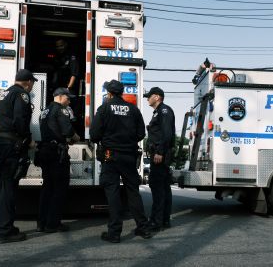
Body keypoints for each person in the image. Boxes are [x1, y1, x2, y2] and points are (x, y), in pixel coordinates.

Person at [90, 80, 152, 243]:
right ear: (121, 93)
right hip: (130, 156)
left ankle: (115, 233)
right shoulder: (133, 109)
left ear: (109, 93)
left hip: (110, 156)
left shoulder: (103, 109)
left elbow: (94, 135)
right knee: (133, 191)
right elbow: (140, 133)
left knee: (113, 192)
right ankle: (143, 228)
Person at [0, 69, 37, 244]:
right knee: (8, 188)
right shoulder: (22, 95)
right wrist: (28, 139)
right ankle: (4, 232)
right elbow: (19, 119)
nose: (32, 86)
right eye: (32, 83)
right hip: (10, 145)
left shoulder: (6, 93)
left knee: (4, 186)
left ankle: (5, 227)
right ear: (28, 82)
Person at [36, 88, 80, 233]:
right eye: (68, 98)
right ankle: (53, 224)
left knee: (47, 187)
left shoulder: (44, 111)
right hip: (56, 153)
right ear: (60, 97)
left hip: (44, 151)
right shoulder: (61, 110)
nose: (69, 101)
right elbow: (68, 131)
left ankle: (42, 222)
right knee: (59, 188)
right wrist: (76, 138)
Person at [143, 87, 175, 231]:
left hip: (160, 155)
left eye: (149, 96)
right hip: (159, 154)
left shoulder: (164, 111)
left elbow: (167, 134)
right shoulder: (158, 112)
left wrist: (160, 152)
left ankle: (156, 222)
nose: (147, 99)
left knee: (158, 188)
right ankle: (164, 220)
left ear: (157, 97)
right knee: (163, 188)